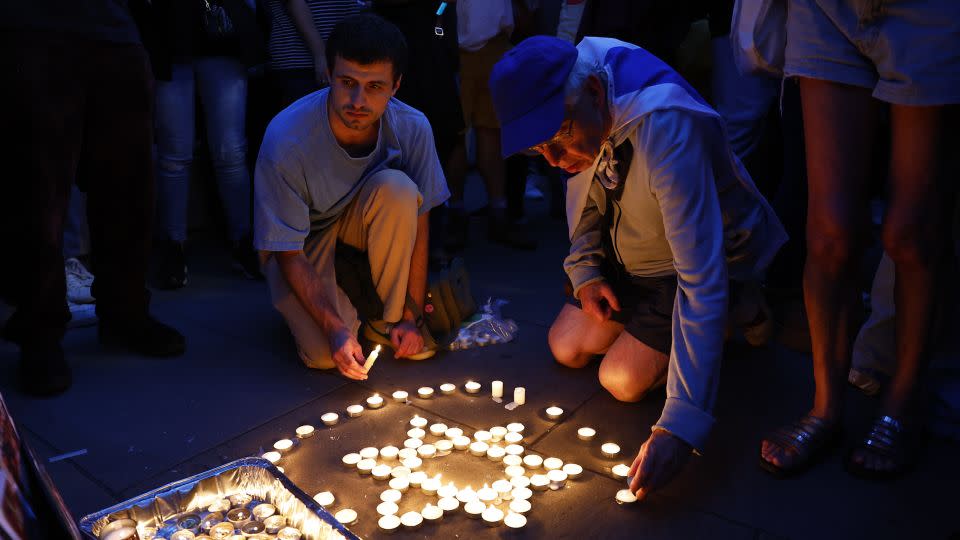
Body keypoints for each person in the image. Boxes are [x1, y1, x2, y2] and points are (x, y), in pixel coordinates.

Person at [489, 36, 786, 498]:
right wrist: (585, 272)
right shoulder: (578, 99)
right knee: (566, 347)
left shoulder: (665, 125)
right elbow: (584, 198)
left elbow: (699, 276)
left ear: (593, 91)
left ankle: (741, 306)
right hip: (630, 254)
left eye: (557, 137)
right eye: (536, 150)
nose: (551, 160)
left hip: (690, 263)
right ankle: (663, 327)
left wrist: (681, 425)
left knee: (620, 380)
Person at [759, 0, 959, 480]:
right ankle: (826, 407)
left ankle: (903, 400)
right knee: (830, 233)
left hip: (930, 11)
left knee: (912, 231)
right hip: (826, 9)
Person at [0, 0, 186, 397]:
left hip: (114, 26)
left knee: (130, 182)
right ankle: (40, 331)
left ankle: (126, 311)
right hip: (32, 25)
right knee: (38, 191)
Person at [255, 14, 449, 379]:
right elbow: (288, 251)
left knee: (400, 190)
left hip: (362, 222)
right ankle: (324, 310)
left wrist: (412, 316)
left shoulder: (413, 126)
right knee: (325, 356)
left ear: (396, 85)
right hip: (305, 241)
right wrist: (334, 328)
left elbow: (421, 222)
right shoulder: (286, 139)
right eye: (347, 82)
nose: (358, 100)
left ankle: (387, 319)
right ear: (328, 74)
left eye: (375, 86)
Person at [141, 0, 265, 289]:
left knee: (226, 151)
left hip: (214, 35)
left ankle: (240, 240)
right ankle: (176, 245)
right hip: (173, 36)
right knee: (179, 153)